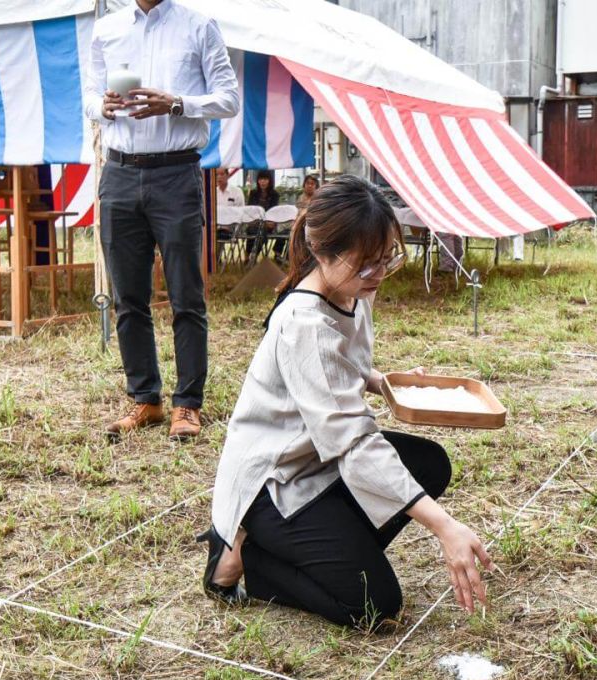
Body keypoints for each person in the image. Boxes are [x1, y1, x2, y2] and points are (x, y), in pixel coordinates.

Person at [198, 175, 494, 630]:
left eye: (384, 260)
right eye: (366, 265)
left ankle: (334, 550)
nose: (377, 275)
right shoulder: (305, 324)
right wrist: (444, 526)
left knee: (429, 464)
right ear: (322, 252)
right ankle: (247, 556)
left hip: (317, 457)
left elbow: (339, 369)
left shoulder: (350, 289)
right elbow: (353, 444)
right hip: (276, 483)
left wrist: (383, 382)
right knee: (374, 606)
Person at [85, 0, 239, 441]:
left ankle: (187, 405)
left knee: (186, 295)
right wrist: (105, 107)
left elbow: (228, 99)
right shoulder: (107, 29)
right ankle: (146, 400)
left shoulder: (199, 25)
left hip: (176, 172)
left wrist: (176, 104)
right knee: (127, 297)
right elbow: (89, 96)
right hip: (118, 171)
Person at [246, 170, 284, 261]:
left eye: (265, 179)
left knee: (261, 230)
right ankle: (250, 255)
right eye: (261, 179)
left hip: (268, 224)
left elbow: (274, 211)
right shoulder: (253, 193)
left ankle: (252, 255)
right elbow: (250, 210)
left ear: (269, 181)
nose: (263, 181)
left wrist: (269, 222)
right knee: (253, 230)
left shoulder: (274, 195)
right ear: (258, 181)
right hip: (255, 223)